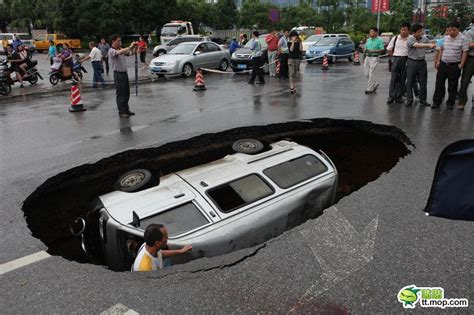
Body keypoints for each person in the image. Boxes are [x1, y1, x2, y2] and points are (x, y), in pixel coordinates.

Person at [432, 21, 469, 109]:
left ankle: (450, 103)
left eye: (454, 30)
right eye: (450, 30)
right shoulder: (445, 38)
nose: (451, 32)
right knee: (439, 84)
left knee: (452, 85)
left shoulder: (463, 39)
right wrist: (438, 61)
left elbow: (465, 52)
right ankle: (436, 102)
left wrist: (461, 65)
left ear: (458, 30)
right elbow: (441, 50)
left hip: (455, 65)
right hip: (443, 64)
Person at [406, 24, 436, 107]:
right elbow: (416, 45)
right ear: (413, 33)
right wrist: (428, 45)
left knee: (423, 82)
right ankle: (409, 100)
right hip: (412, 62)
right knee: (410, 82)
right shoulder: (410, 39)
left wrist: (434, 44)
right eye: (419, 32)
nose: (421, 33)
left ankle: (423, 100)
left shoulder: (424, 38)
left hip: (422, 62)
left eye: (421, 31)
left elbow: (432, 44)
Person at [109, 34, 136, 118]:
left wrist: (136, 47)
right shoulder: (111, 50)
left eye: (120, 40)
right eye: (118, 41)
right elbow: (119, 53)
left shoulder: (121, 49)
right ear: (113, 41)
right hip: (118, 74)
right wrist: (130, 46)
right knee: (120, 94)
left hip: (124, 73)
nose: (120, 42)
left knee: (126, 93)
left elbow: (131, 53)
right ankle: (121, 111)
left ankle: (126, 109)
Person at [386, 22, 410, 104]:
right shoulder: (395, 38)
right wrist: (393, 57)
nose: (403, 31)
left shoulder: (411, 39)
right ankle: (391, 96)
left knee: (403, 78)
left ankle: (399, 96)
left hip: (406, 59)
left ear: (408, 31)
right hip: (396, 59)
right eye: (402, 30)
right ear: (400, 30)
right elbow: (389, 49)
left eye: (405, 30)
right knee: (394, 78)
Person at [457, 20, 474, 110]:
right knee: (465, 81)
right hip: (470, 58)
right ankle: (462, 101)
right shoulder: (469, 32)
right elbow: (469, 45)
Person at [363, 27, 384, 94]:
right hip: (367, 57)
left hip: (374, 57)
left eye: (372, 31)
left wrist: (372, 51)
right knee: (366, 74)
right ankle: (375, 83)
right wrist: (364, 50)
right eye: (370, 32)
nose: (370, 33)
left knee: (371, 73)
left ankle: (369, 89)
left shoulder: (379, 40)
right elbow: (365, 47)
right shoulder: (368, 40)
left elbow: (382, 50)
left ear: (376, 32)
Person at [288, 30, 302, 94]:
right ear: (290, 37)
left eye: (295, 36)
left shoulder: (299, 42)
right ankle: (291, 87)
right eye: (292, 36)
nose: (293, 37)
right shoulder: (289, 42)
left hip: (297, 59)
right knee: (291, 73)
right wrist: (293, 42)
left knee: (295, 73)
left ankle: (293, 86)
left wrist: (301, 42)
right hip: (291, 59)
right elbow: (291, 50)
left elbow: (300, 50)